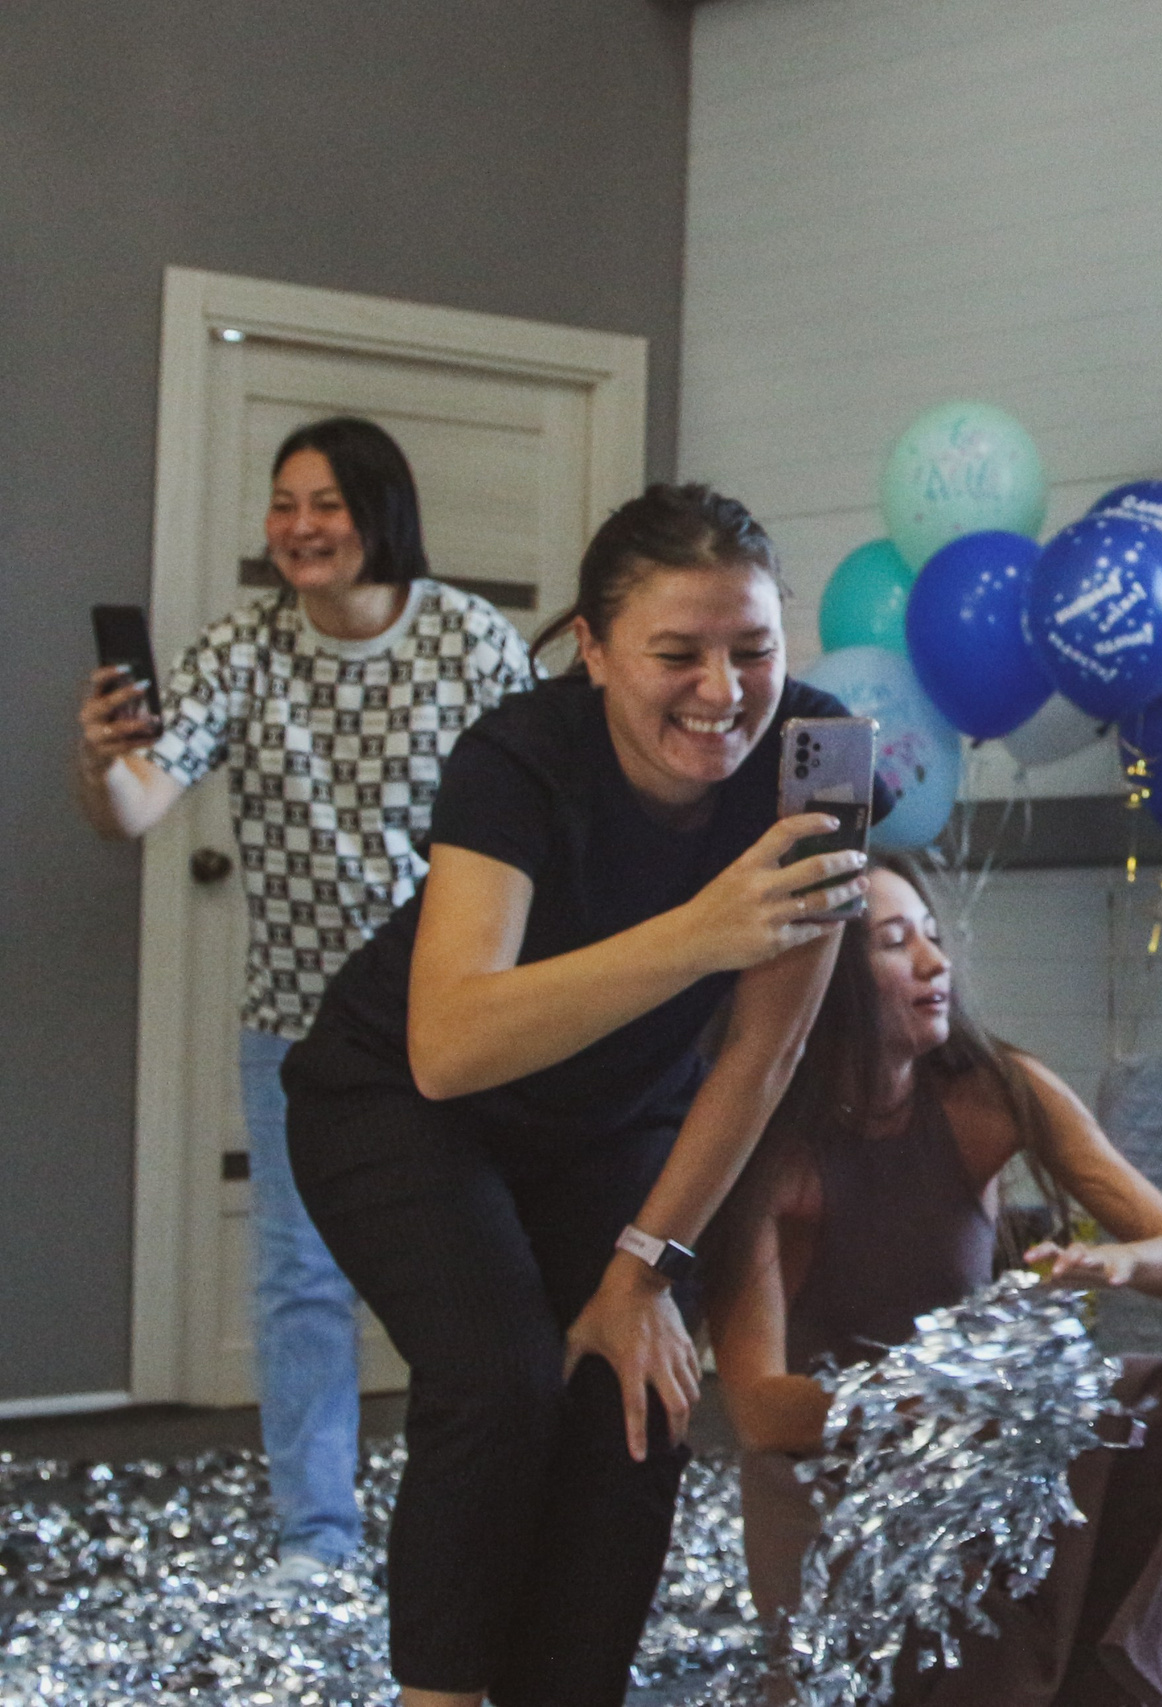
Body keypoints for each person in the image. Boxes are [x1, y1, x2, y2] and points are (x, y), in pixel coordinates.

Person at [282, 482, 865, 1707]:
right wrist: (697, 933)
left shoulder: (820, 758)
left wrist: (641, 1270)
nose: (722, 692)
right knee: (499, 1376)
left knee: (632, 1393)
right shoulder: (517, 759)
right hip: (397, 1100)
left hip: (610, 1118)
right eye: (677, 654)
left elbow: (762, 1056)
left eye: (752, 650)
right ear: (594, 651)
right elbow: (448, 1042)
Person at [72, 416, 536, 1589]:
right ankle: (315, 1538)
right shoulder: (243, 647)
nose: (299, 528)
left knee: (476, 1264)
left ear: (379, 510)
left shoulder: (471, 641)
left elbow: (545, 797)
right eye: (283, 505)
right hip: (293, 1022)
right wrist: (101, 759)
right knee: (298, 1276)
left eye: (323, 503)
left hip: (452, 1011)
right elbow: (136, 811)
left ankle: (479, 1504)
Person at [705, 853, 1162, 1707]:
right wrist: (926, 1399)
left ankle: (1133, 1684)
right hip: (836, 1477)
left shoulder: (995, 1090)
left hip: (990, 1438)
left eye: (932, 934)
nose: (934, 961)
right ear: (825, 978)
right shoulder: (768, 1152)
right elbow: (761, 1411)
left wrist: (1118, 1260)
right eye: (895, 942)